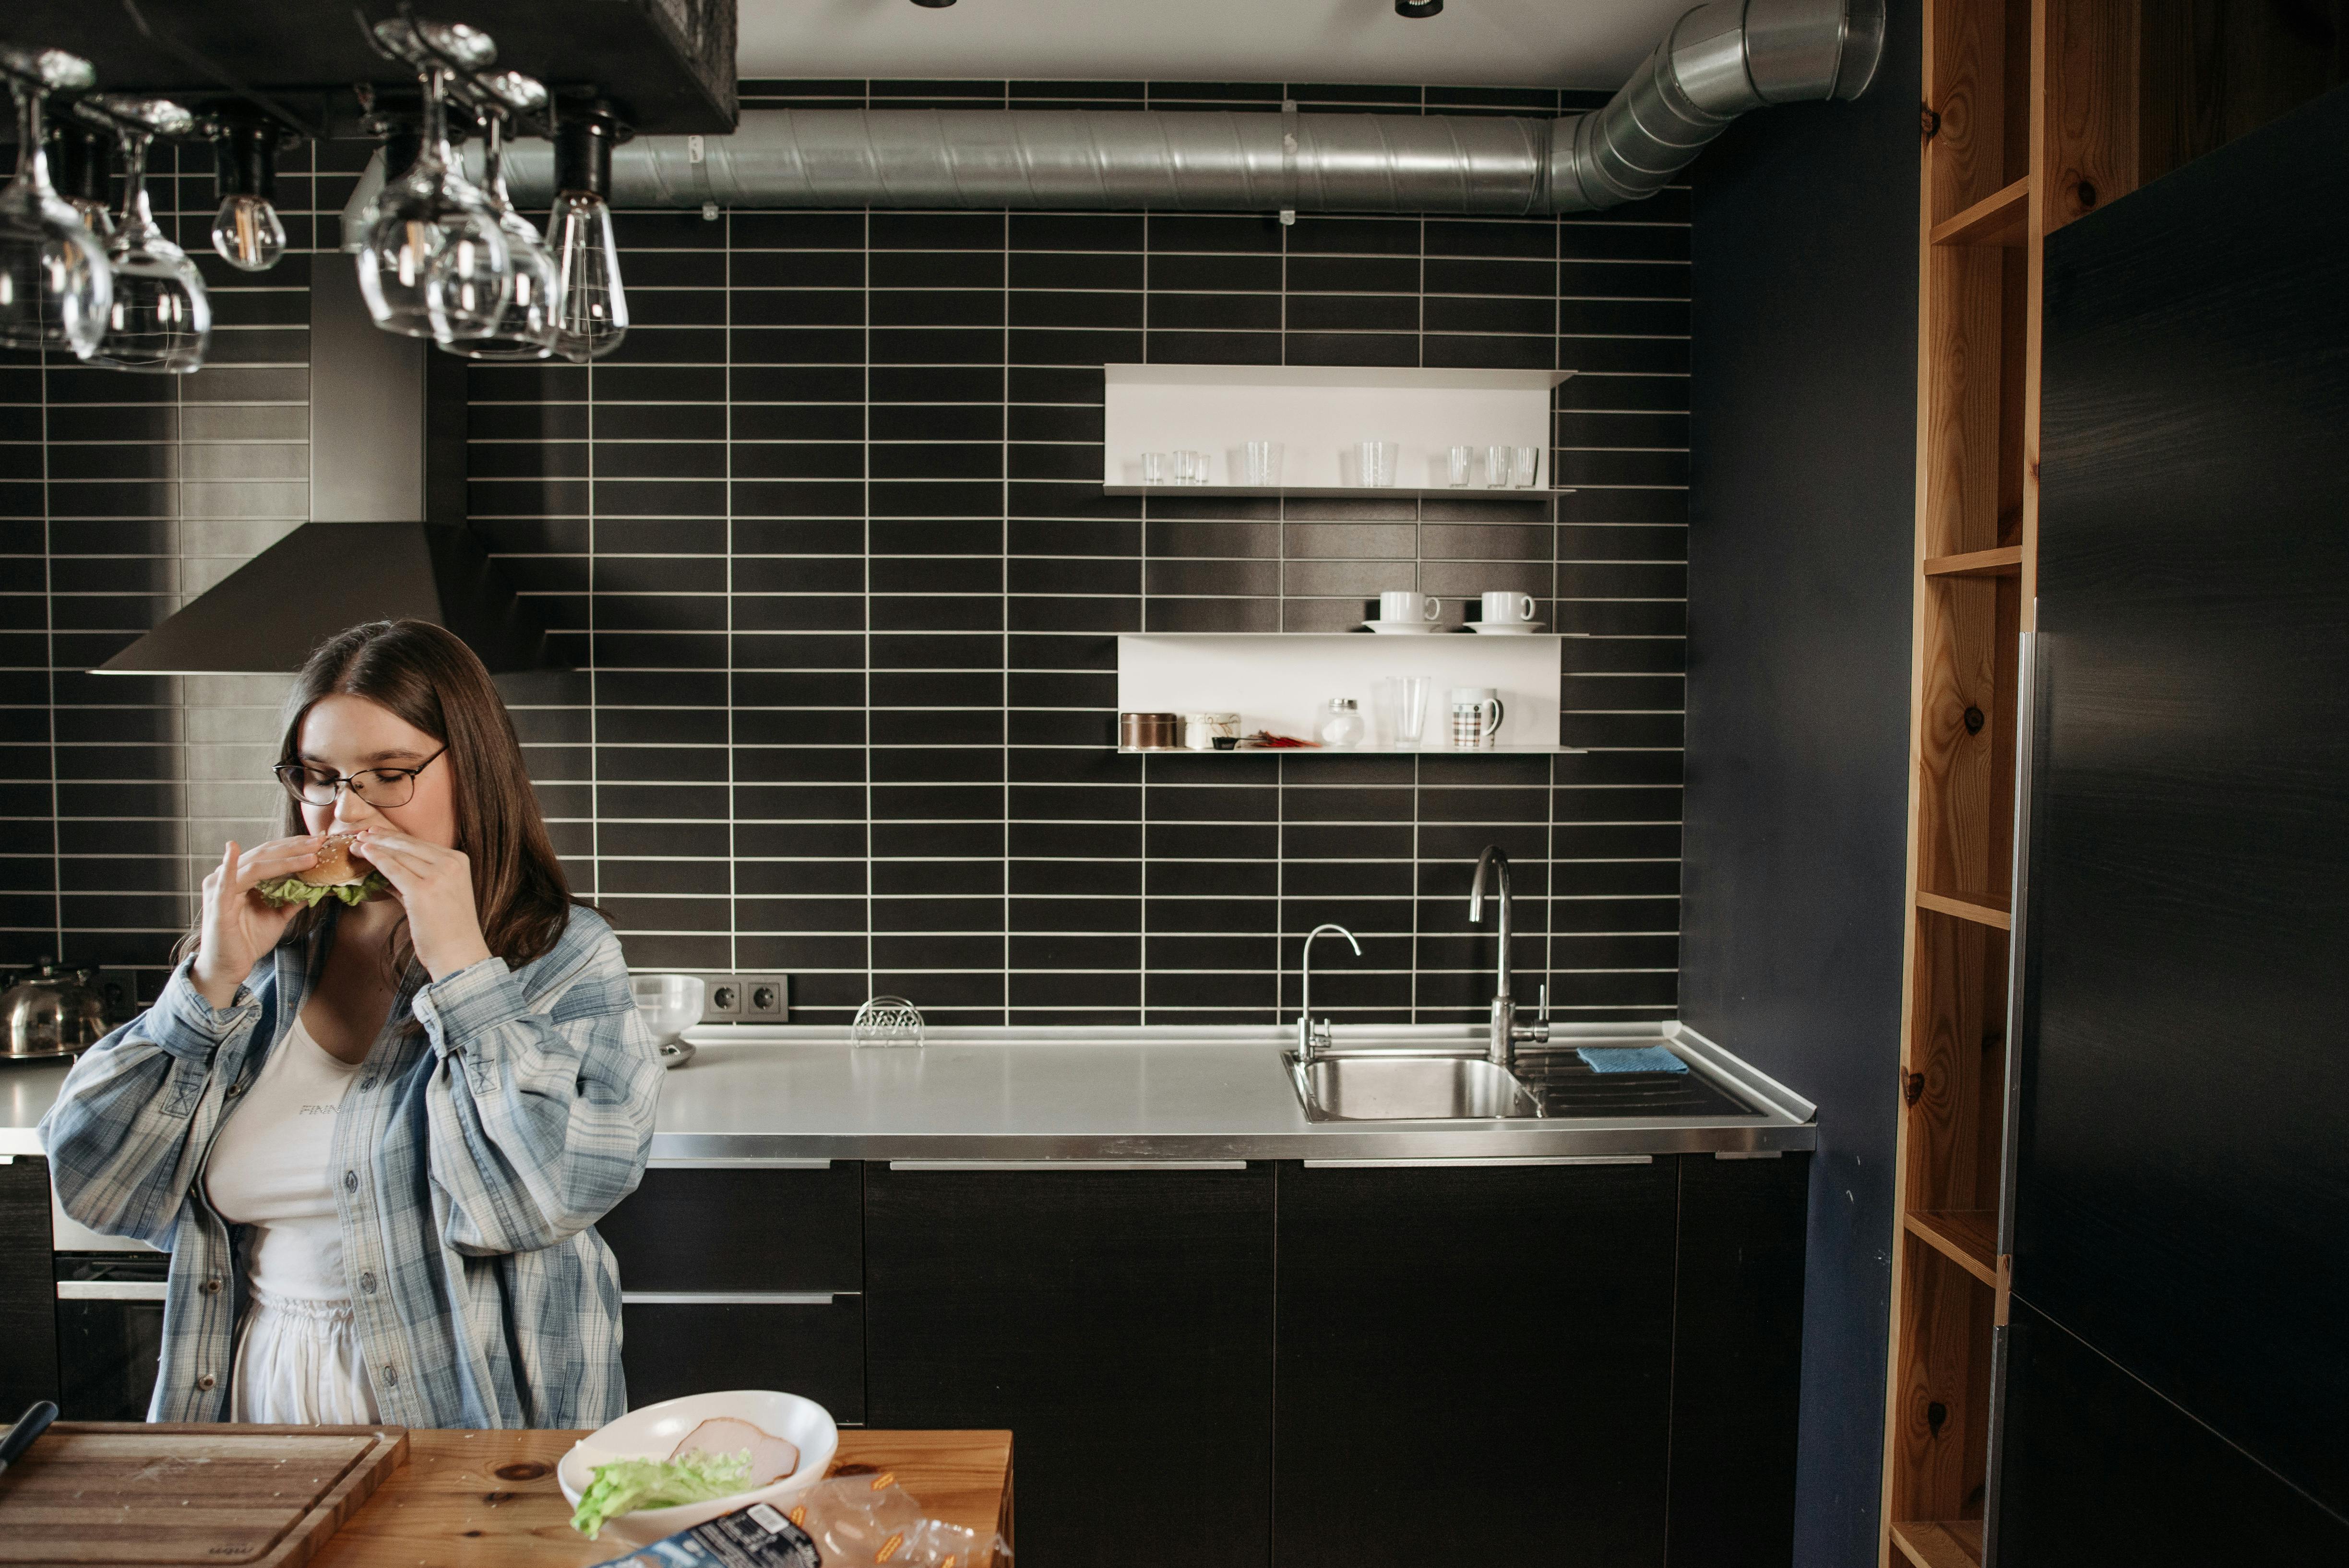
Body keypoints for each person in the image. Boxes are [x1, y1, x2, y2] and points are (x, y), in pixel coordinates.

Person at [41, 619, 662, 1427]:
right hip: (256, 1414)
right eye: (322, 777)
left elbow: (545, 1200)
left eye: (389, 774)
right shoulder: (258, 964)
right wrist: (209, 980)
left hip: (476, 1433)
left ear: (471, 770)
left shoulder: (565, 955)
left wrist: (465, 971)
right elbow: (95, 1184)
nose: (345, 814)